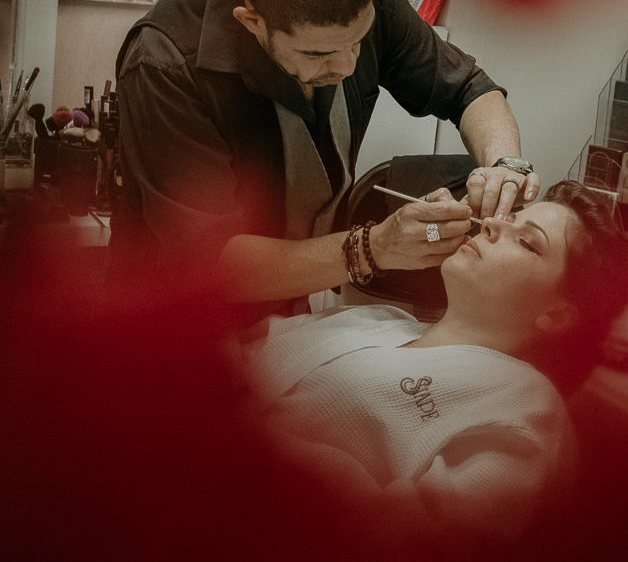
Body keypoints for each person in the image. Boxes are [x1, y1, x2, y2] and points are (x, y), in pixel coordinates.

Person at [111, 0, 539, 316]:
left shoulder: (367, 4)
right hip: (171, 315)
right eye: (318, 53)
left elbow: (468, 89)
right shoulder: (164, 60)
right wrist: (375, 248)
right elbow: (207, 261)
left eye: (358, 41)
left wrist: (506, 163)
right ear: (252, 22)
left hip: (291, 311)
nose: (348, 66)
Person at [237, 181, 628, 546]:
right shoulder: (384, 321)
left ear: (558, 313)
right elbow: (240, 356)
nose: (491, 223)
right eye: (507, 218)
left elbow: (395, 538)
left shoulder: (527, 411)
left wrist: (233, 435)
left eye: (526, 241)